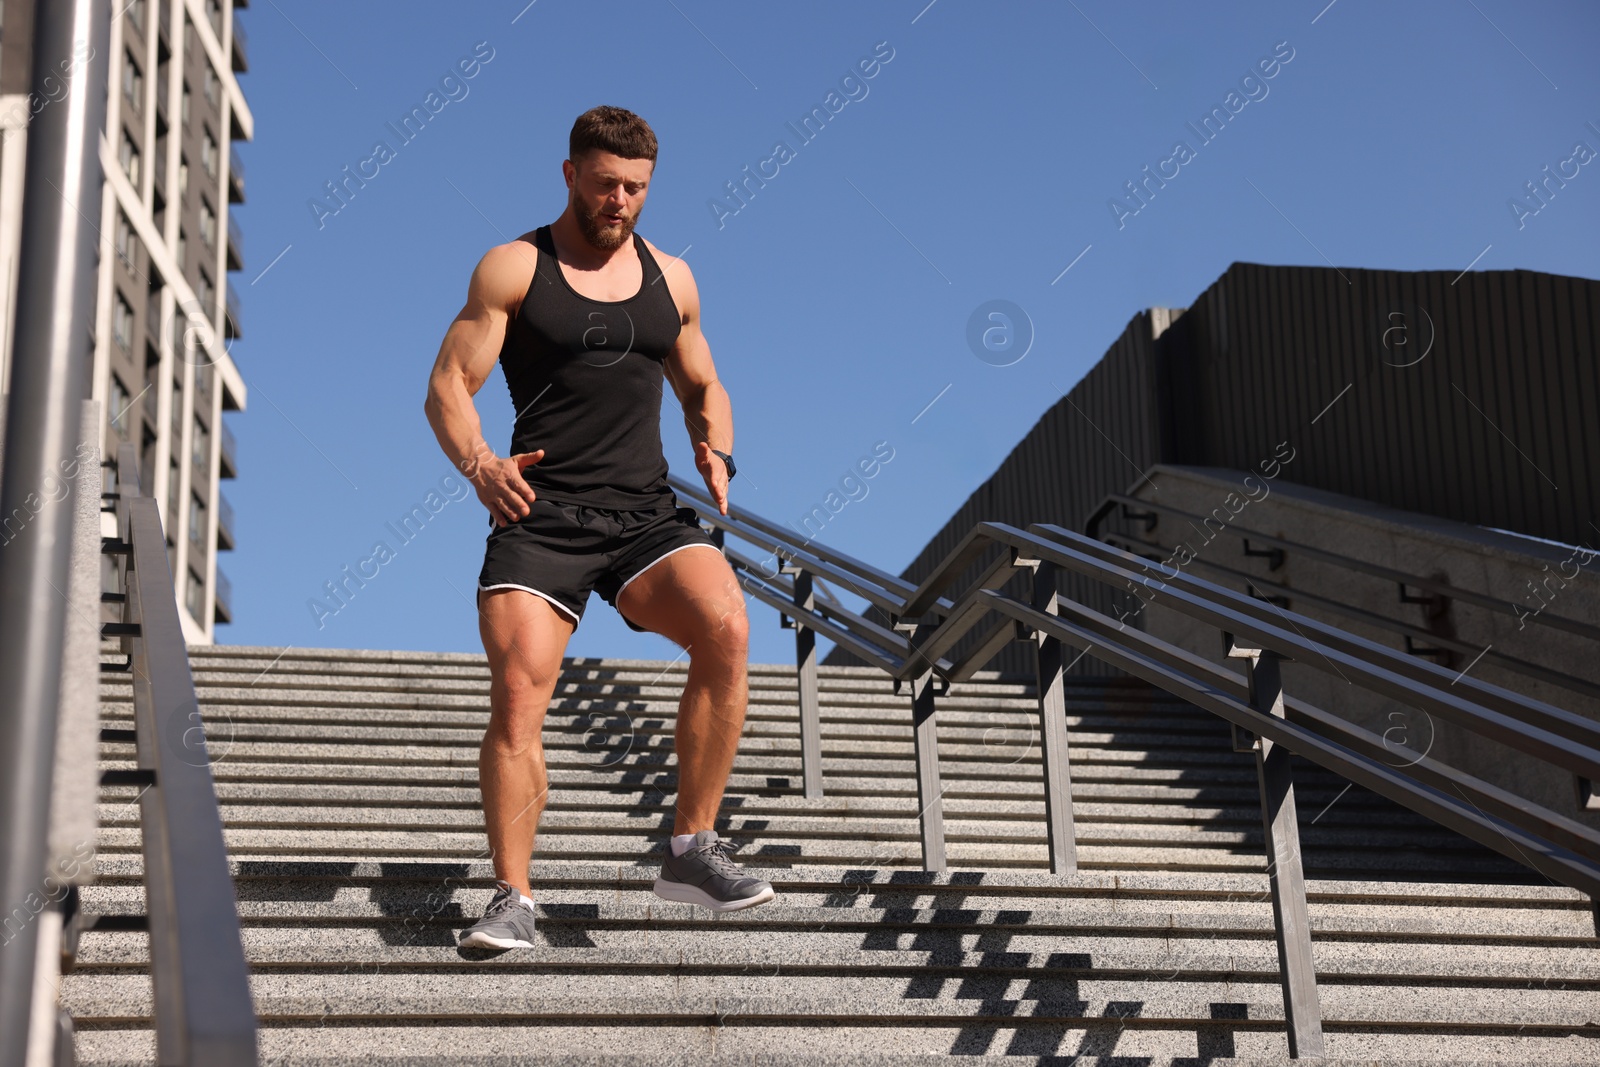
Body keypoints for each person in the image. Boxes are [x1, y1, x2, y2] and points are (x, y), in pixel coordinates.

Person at [423, 105, 774, 951]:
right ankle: (513, 896)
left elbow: (705, 382)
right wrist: (480, 466)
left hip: (644, 508)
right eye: (608, 183)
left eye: (638, 188)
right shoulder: (514, 267)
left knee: (726, 626)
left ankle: (691, 848)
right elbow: (447, 384)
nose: (622, 201)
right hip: (539, 511)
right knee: (517, 693)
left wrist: (715, 441)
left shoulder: (674, 278)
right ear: (571, 174)